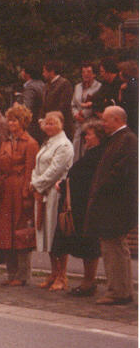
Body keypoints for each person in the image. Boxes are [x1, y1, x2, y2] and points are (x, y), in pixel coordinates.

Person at [85, 106, 137, 305]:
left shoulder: (127, 140)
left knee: (113, 248)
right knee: (115, 248)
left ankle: (118, 291)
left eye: (105, 120)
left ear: (116, 119)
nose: (103, 124)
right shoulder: (120, 139)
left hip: (116, 205)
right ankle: (122, 289)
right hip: (113, 204)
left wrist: (101, 187)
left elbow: (121, 172)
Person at [49, 120, 106, 296]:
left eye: (88, 134)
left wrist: (65, 184)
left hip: (86, 208)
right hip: (79, 206)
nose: (85, 138)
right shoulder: (92, 153)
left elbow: (84, 179)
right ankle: (87, 281)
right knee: (85, 245)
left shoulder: (97, 155)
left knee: (89, 246)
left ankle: (89, 282)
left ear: (98, 136)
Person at [0, 104, 39, 286]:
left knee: (21, 233)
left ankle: (23, 275)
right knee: (5, 233)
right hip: (5, 191)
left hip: (19, 190)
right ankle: (11, 273)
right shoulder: (5, 142)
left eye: (15, 120)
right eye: (10, 119)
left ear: (23, 122)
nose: (11, 123)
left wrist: (27, 194)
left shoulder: (31, 143)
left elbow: (30, 170)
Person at [31, 111, 74, 291]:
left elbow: (55, 171)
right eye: (46, 123)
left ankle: (62, 275)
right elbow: (38, 166)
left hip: (55, 193)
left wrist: (37, 185)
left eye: (52, 123)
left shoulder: (64, 145)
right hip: (42, 193)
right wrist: (35, 184)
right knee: (46, 233)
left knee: (57, 234)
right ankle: (53, 272)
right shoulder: (47, 143)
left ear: (61, 124)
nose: (48, 126)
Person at [71, 62, 102, 160]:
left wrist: (83, 115)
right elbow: (73, 104)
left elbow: (96, 105)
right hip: (78, 123)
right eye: (83, 72)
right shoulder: (77, 87)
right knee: (76, 150)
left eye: (89, 71)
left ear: (94, 74)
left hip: (91, 122)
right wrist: (76, 114)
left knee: (89, 150)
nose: (86, 74)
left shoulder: (99, 87)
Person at [42, 61, 75, 140]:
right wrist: (41, 119)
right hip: (49, 125)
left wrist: (52, 119)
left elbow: (64, 106)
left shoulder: (64, 84)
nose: (43, 74)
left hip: (62, 126)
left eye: (44, 71)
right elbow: (43, 105)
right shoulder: (46, 86)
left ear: (52, 72)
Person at [19, 65, 46, 143]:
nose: (21, 73)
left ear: (27, 74)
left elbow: (26, 108)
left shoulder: (30, 88)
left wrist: (18, 106)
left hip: (31, 126)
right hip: (41, 123)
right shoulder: (42, 84)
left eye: (23, 70)